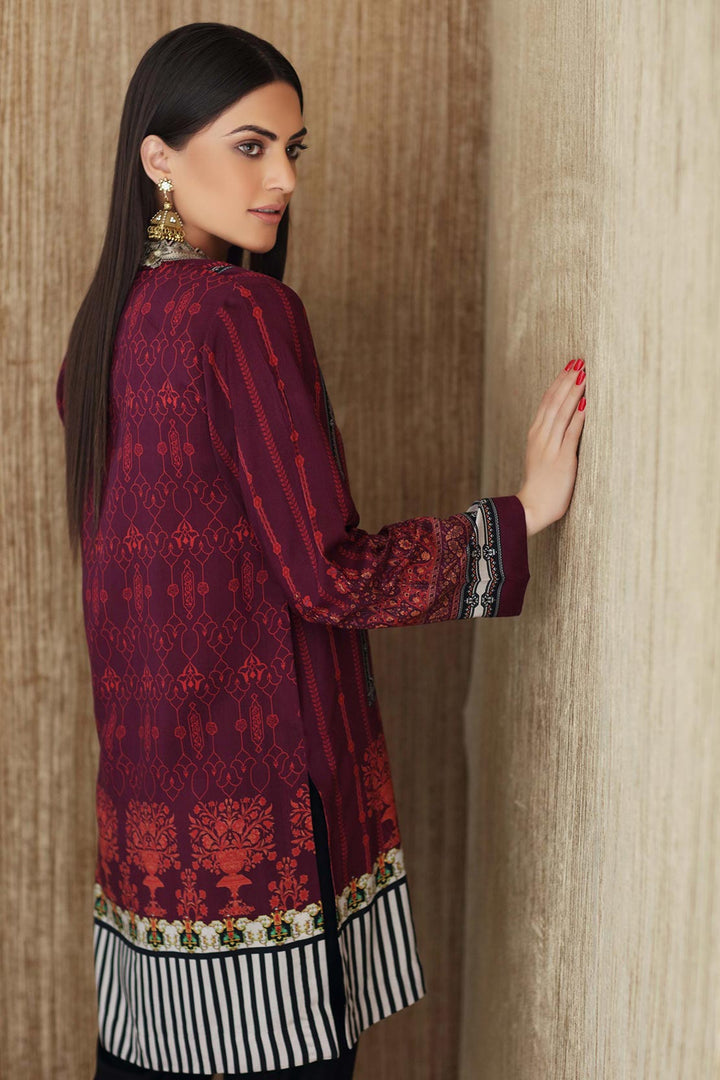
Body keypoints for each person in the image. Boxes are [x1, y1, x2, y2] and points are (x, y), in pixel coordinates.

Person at [55, 21, 587, 1080]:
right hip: (267, 851)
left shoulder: (104, 331)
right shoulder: (241, 314)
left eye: (292, 149)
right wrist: (518, 516)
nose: (284, 180)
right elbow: (329, 576)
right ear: (159, 158)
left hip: (150, 850)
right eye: (251, 146)